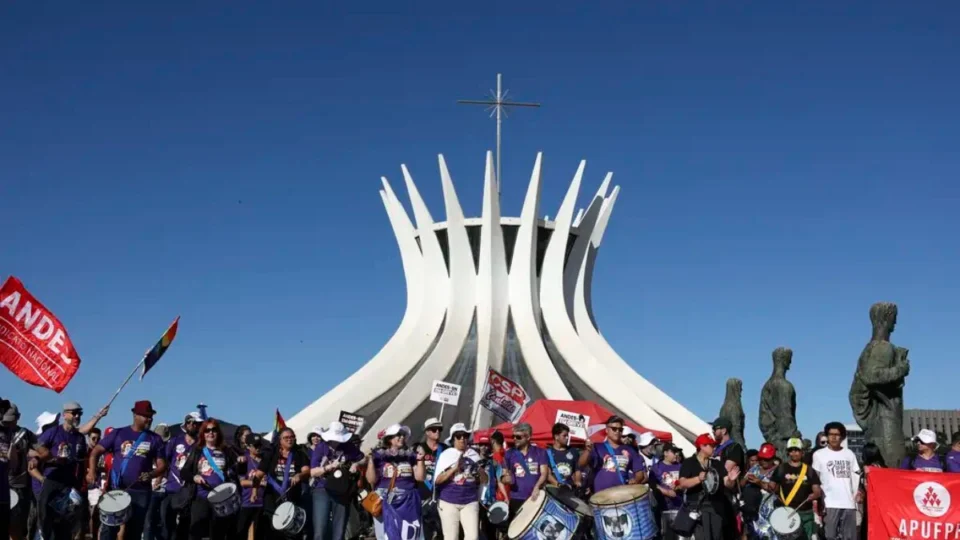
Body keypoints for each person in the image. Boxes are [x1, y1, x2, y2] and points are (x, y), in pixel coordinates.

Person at [88, 400, 168, 540]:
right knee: (109, 529)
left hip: (141, 492)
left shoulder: (155, 439)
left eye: (151, 416)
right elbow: (95, 452)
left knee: (134, 532)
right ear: (135, 415)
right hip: (117, 490)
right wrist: (92, 471)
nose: (150, 419)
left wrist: (151, 474)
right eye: (146, 416)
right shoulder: (118, 433)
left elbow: (162, 465)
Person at [35, 401, 89, 540]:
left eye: (79, 414)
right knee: (45, 516)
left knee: (65, 521)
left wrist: (80, 485)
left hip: (69, 483)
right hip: (52, 480)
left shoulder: (80, 438)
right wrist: (42, 459)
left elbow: (81, 462)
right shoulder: (53, 432)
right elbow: (35, 448)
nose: (77, 416)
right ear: (65, 415)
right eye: (74, 413)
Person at [179, 419, 239, 540]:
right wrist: (194, 477)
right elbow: (184, 472)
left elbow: (239, 471)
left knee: (218, 534)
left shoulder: (226, 450)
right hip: (201, 497)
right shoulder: (197, 450)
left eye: (214, 430)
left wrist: (241, 463)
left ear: (218, 432)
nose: (210, 433)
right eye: (207, 430)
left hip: (221, 499)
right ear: (203, 433)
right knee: (196, 533)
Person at [366, 424, 425, 540]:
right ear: (389, 438)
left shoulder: (410, 455)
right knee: (385, 534)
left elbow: (420, 477)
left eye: (403, 435)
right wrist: (371, 461)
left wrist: (420, 460)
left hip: (408, 499)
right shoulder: (379, 455)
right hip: (385, 499)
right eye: (398, 435)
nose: (402, 437)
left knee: (411, 533)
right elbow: (371, 480)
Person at [678, 434, 740, 540]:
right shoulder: (689, 463)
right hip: (697, 508)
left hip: (716, 508)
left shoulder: (717, 464)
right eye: (711, 445)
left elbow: (727, 484)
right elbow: (682, 483)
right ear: (702, 446)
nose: (714, 448)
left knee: (717, 536)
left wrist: (731, 479)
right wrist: (698, 479)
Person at [310, 421, 365, 540]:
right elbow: (313, 472)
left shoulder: (348, 446)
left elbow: (363, 458)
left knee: (339, 531)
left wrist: (356, 464)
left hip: (342, 489)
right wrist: (328, 467)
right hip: (322, 488)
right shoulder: (321, 447)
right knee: (320, 530)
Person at [254, 427, 311, 540]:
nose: (290, 440)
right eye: (286, 438)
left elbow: (307, 471)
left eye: (292, 437)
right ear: (280, 440)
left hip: (292, 497)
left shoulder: (300, 454)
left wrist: (299, 475)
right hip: (272, 498)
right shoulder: (271, 454)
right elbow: (258, 475)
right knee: (272, 531)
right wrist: (254, 491)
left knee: (292, 532)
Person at [434, 423, 486, 540]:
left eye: (465, 436)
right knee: (451, 537)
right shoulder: (446, 455)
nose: (462, 439)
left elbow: (485, 480)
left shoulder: (474, 455)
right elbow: (437, 480)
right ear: (453, 439)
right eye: (458, 436)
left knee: (473, 537)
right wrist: (454, 469)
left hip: (470, 501)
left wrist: (479, 469)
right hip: (449, 502)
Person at [811, 422, 861, 540]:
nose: (833, 437)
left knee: (850, 537)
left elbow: (856, 475)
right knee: (830, 536)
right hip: (829, 503)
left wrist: (857, 494)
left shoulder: (849, 454)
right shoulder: (819, 455)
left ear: (842, 437)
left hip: (849, 503)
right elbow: (815, 478)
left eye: (837, 434)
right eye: (830, 434)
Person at [577, 416, 646, 494]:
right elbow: (581, 464)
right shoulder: (597, 447)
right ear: (607, 430)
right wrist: (587, 451)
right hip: (601, 495)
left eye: (620, 430)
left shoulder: (630, 450)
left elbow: (639, 473)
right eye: (614, 429)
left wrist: (635, 480)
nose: (617, 431)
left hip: (623, 494)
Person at [769, 438, 821, 540]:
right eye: (791, 450)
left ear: (802, 452)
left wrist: (814, 495)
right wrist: (760, 483)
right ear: (788, 452)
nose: (794, 453)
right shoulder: (781, 469)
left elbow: (817, 491)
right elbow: (772, 487)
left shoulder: (810, 470)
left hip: (806, 513)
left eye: (797, 450)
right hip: (786, 513)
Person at [162, 412, 202, 540]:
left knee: (185, 527)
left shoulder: (201, 445)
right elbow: (164, 461)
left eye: (196, 423)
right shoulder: (175, 441)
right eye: (191, 422)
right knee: (168, 526)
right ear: (186, 424)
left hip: (190, 491)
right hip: (172, 489)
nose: (193, 425)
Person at [4, 402, 38, 540]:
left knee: (17, 525)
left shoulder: (26, 434)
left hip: (19, 486)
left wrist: (35, 458)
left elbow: (39, 451)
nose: (7, 423)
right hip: (3, 484)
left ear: (18, 417)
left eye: (11, 420)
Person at [502, 423, 548, 518]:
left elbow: (544, 473)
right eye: (513, 436)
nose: (514, 438)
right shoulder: (509, 453)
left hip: (535, 497)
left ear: (528, 437)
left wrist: (537, 487)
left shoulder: (540, 452)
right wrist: (505, 479)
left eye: (518, 437)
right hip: (516, 497)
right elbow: (503, 475)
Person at [416, 418, 447, 540]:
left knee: (442, 530)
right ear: (427, 432)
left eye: (439, 429)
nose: (437, 432)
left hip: (441, 494)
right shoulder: (418, 448)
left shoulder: (445, 448)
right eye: (434, 429)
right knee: (424, 530)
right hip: (423, 493)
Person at [741, 443, 777, 539]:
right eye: (761, 458)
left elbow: (774, 490)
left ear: (773, 458)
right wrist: (746, 479)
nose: (763, 461)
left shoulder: (778, 470)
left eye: (766, 459)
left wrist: (759, 482)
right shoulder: (755, 468)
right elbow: (741, 484)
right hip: (754, 513)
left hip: (770, 513)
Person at [650, 443, 684, 540]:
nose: (676, 454)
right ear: (665, 453)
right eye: (673, 452)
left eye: (677, 452)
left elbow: (685, 482)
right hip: (664, 507)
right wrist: (666, 491)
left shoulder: (680, 466)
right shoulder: (656, 467)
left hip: (680, 506)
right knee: (667, 535)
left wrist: (679, 487)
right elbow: (652, 484)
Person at [238, 433, 267, 540]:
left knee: (260, 534)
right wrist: (260, 483)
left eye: (260, 445)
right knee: (242, 533)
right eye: (256, 446)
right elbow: (242, 482)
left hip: (263, 503)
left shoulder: (265, 459)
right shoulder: (244, 460)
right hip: (247, 502)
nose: (259, 448)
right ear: (248, 446)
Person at [545, 423, 581, 489]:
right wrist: (558, 485)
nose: (567, 438)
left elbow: (577, 470)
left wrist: (578, 482)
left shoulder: (573, 451)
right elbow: (547, 474)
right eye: (564, 436)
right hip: (554, 489)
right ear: (556, 437)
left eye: (567, 435)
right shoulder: (547, 453)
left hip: (570, 489)